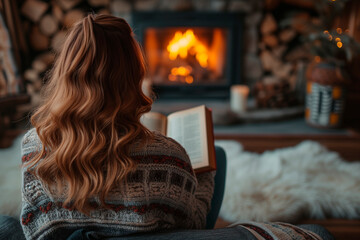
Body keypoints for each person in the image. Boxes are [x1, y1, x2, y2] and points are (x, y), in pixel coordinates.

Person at [6, 14, 333, 240]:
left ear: (66, 73)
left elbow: (34, 224)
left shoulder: (35, 146)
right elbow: (191, 224)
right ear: (132, 75)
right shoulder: (167, 154)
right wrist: (201, 175)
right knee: (215, 156)